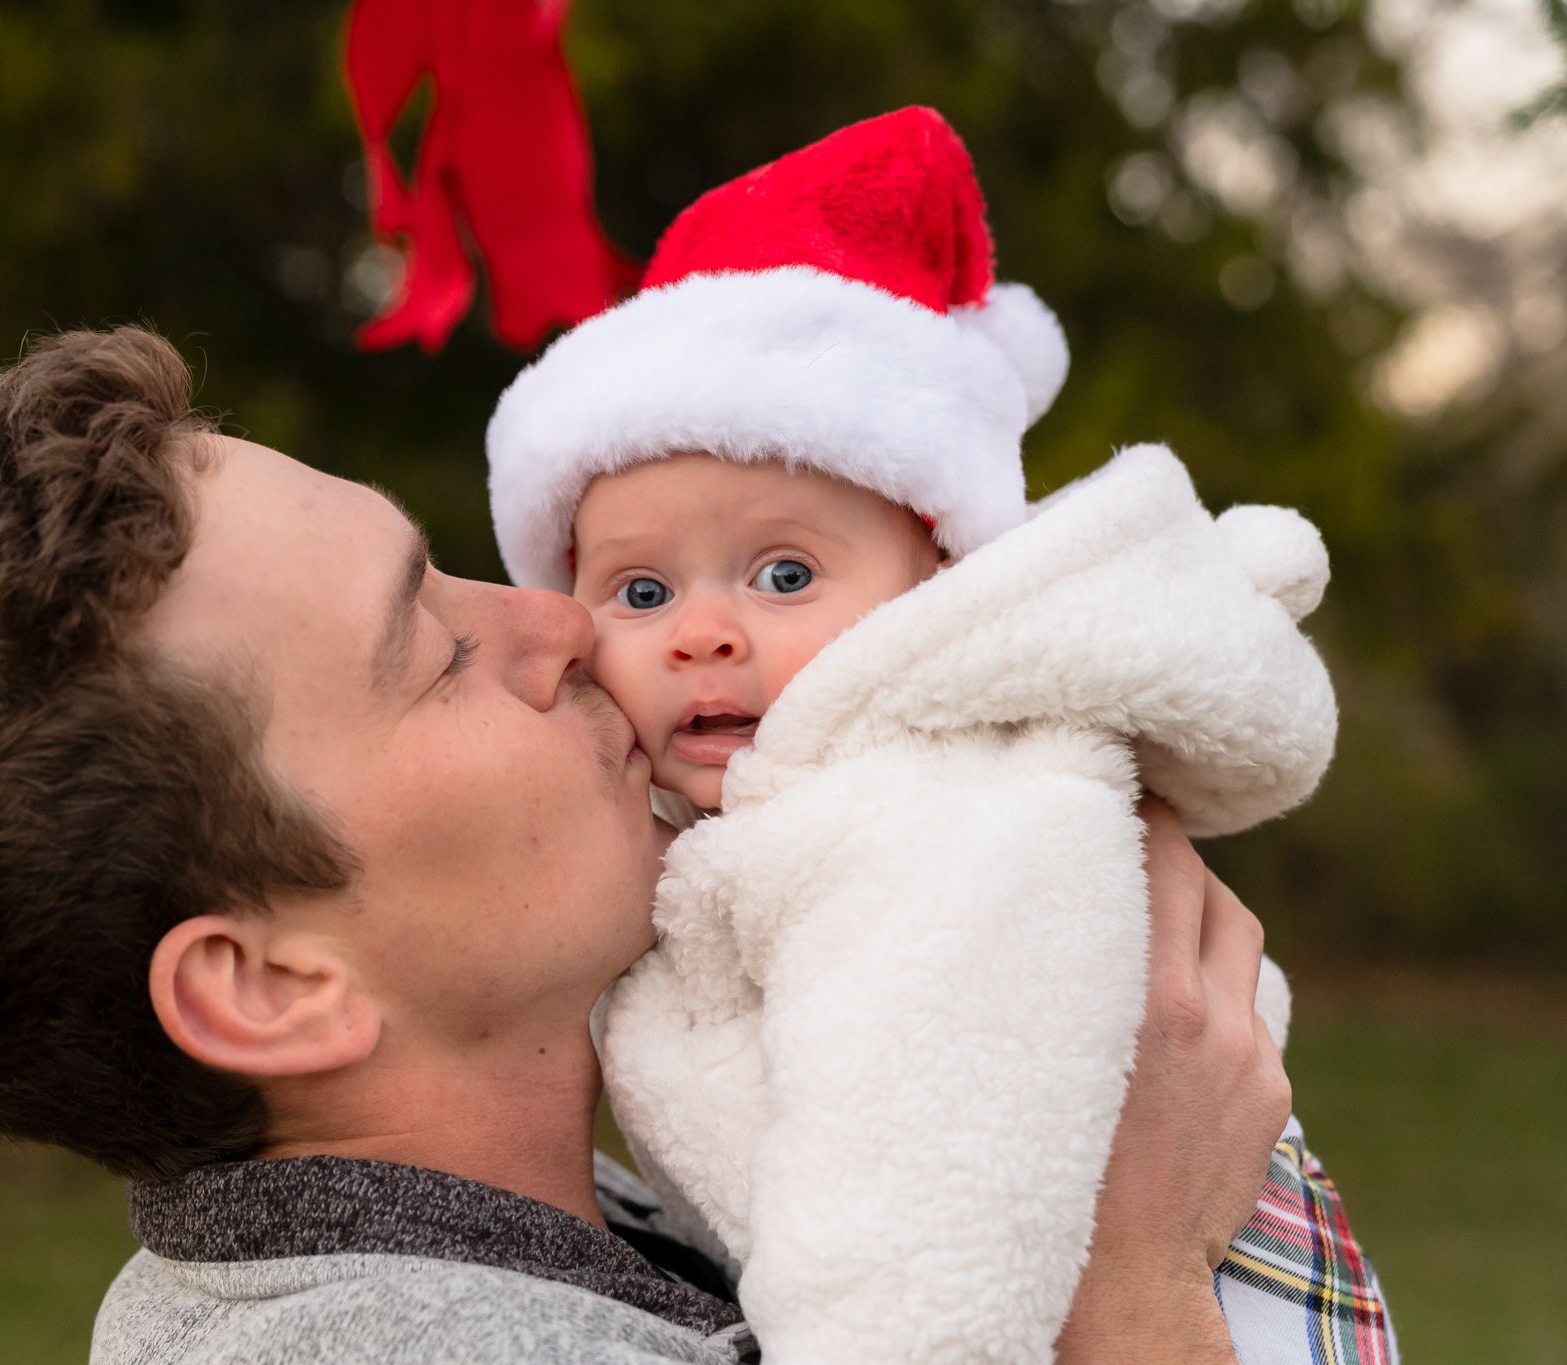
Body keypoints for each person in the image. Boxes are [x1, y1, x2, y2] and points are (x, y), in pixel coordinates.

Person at [0, 324, 1293, 1364]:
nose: (555, 621)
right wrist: (1132, 1290)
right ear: (270, 985)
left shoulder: (625, 1204)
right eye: (437, 649)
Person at [483, 109, 1393, 1364]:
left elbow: (931, 1192)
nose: (700, 633)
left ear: (933, 585)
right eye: (640, 593)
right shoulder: (762, 809)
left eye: (783, 575)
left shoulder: (938, 817)